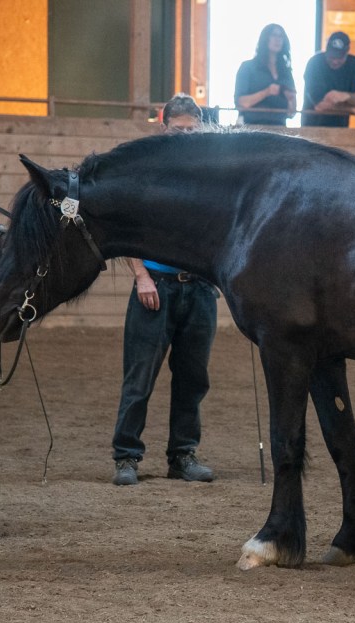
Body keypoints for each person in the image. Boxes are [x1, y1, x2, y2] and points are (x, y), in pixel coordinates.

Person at [110, 94, 219, 486]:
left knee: (193, 378)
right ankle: (126, 456)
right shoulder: (146, 172)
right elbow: (126, 229)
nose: (185, 135)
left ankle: (183, 454)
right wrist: (141, 275)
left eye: (191, 129)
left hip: (199, 288)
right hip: (155, 286)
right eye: (178, 129)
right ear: (164, 127)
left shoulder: (208, 177)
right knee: (139, 378)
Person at [302, 31, 355, 127]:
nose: (335, 61)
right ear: (326, 51)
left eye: (340, 58)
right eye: (332, 57)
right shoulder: (315, 63)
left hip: (340, 128)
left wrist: (346, 96)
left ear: (347, 53)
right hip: (312, 126)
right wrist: (352, 109)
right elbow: (320, 106)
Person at [234, 24, 296, 126]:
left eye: (281, 36)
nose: (278, 39)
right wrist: (267, 92)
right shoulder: (248, 67)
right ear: (265, 38)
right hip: (252, 128)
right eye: (274, 35)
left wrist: (290, 99)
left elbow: (292, 113)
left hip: (280, 128)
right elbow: (241, 103)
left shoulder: (286, 72)